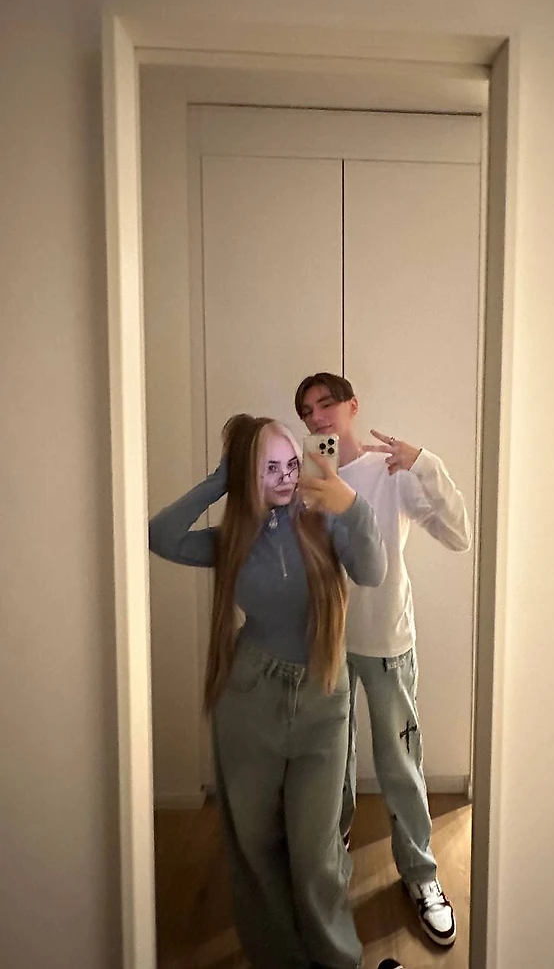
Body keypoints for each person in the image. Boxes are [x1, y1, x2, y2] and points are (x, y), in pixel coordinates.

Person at [148, 414, 387, 969]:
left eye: (291, 464)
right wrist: (221, 479)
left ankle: (337, 959)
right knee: (254, 844)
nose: (285, 477)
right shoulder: (232, 539)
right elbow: (161, 535)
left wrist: (351, 504)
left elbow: (373, 570)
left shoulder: (323, 520)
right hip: (249, 697)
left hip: (322, 698)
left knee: (315, 850)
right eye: (269, 468)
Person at [294, 374, 472, 948]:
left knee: (400, 762)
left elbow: (459, 535)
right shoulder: (308, 475)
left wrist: (423, 462)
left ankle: (420, 874)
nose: (317, 417)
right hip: (329, 641)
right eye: (307, 411)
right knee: (331, 759)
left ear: (352, 406)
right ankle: (334, 849)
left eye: (326, 404)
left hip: (388, 641)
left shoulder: (389, 471)